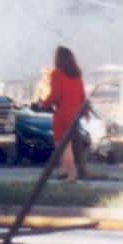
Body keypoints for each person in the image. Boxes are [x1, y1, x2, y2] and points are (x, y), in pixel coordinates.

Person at [39, 45, 89, 181]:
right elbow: (82, 96)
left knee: (62, 145)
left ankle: (71, 174)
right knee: (67, 145)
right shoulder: (77, 75)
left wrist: (43, 104)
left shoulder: (57, 74)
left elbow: (55, 94)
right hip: (74, 114)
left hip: (61, 114)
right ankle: (63, 170)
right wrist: (86, 113)